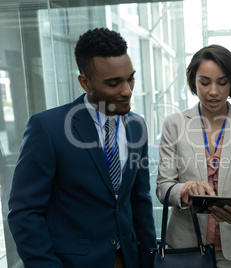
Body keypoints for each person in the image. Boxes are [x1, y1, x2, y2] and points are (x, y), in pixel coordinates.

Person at [8, 28, 156, 268]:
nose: (127, 91)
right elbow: (24, 212)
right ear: (85, 82)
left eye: (130, 78)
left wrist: (149, 259)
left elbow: (140, 199)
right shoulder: (48, 128)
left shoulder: (137, 125)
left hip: (129, 259)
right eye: (113, 83)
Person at [156, 44, 231, 267]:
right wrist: (186, 189)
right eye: (204, 82)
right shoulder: (174, 124)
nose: (213, 91)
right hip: (185, 248)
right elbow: (163, 187)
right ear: (193, 82)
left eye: (222, 82)